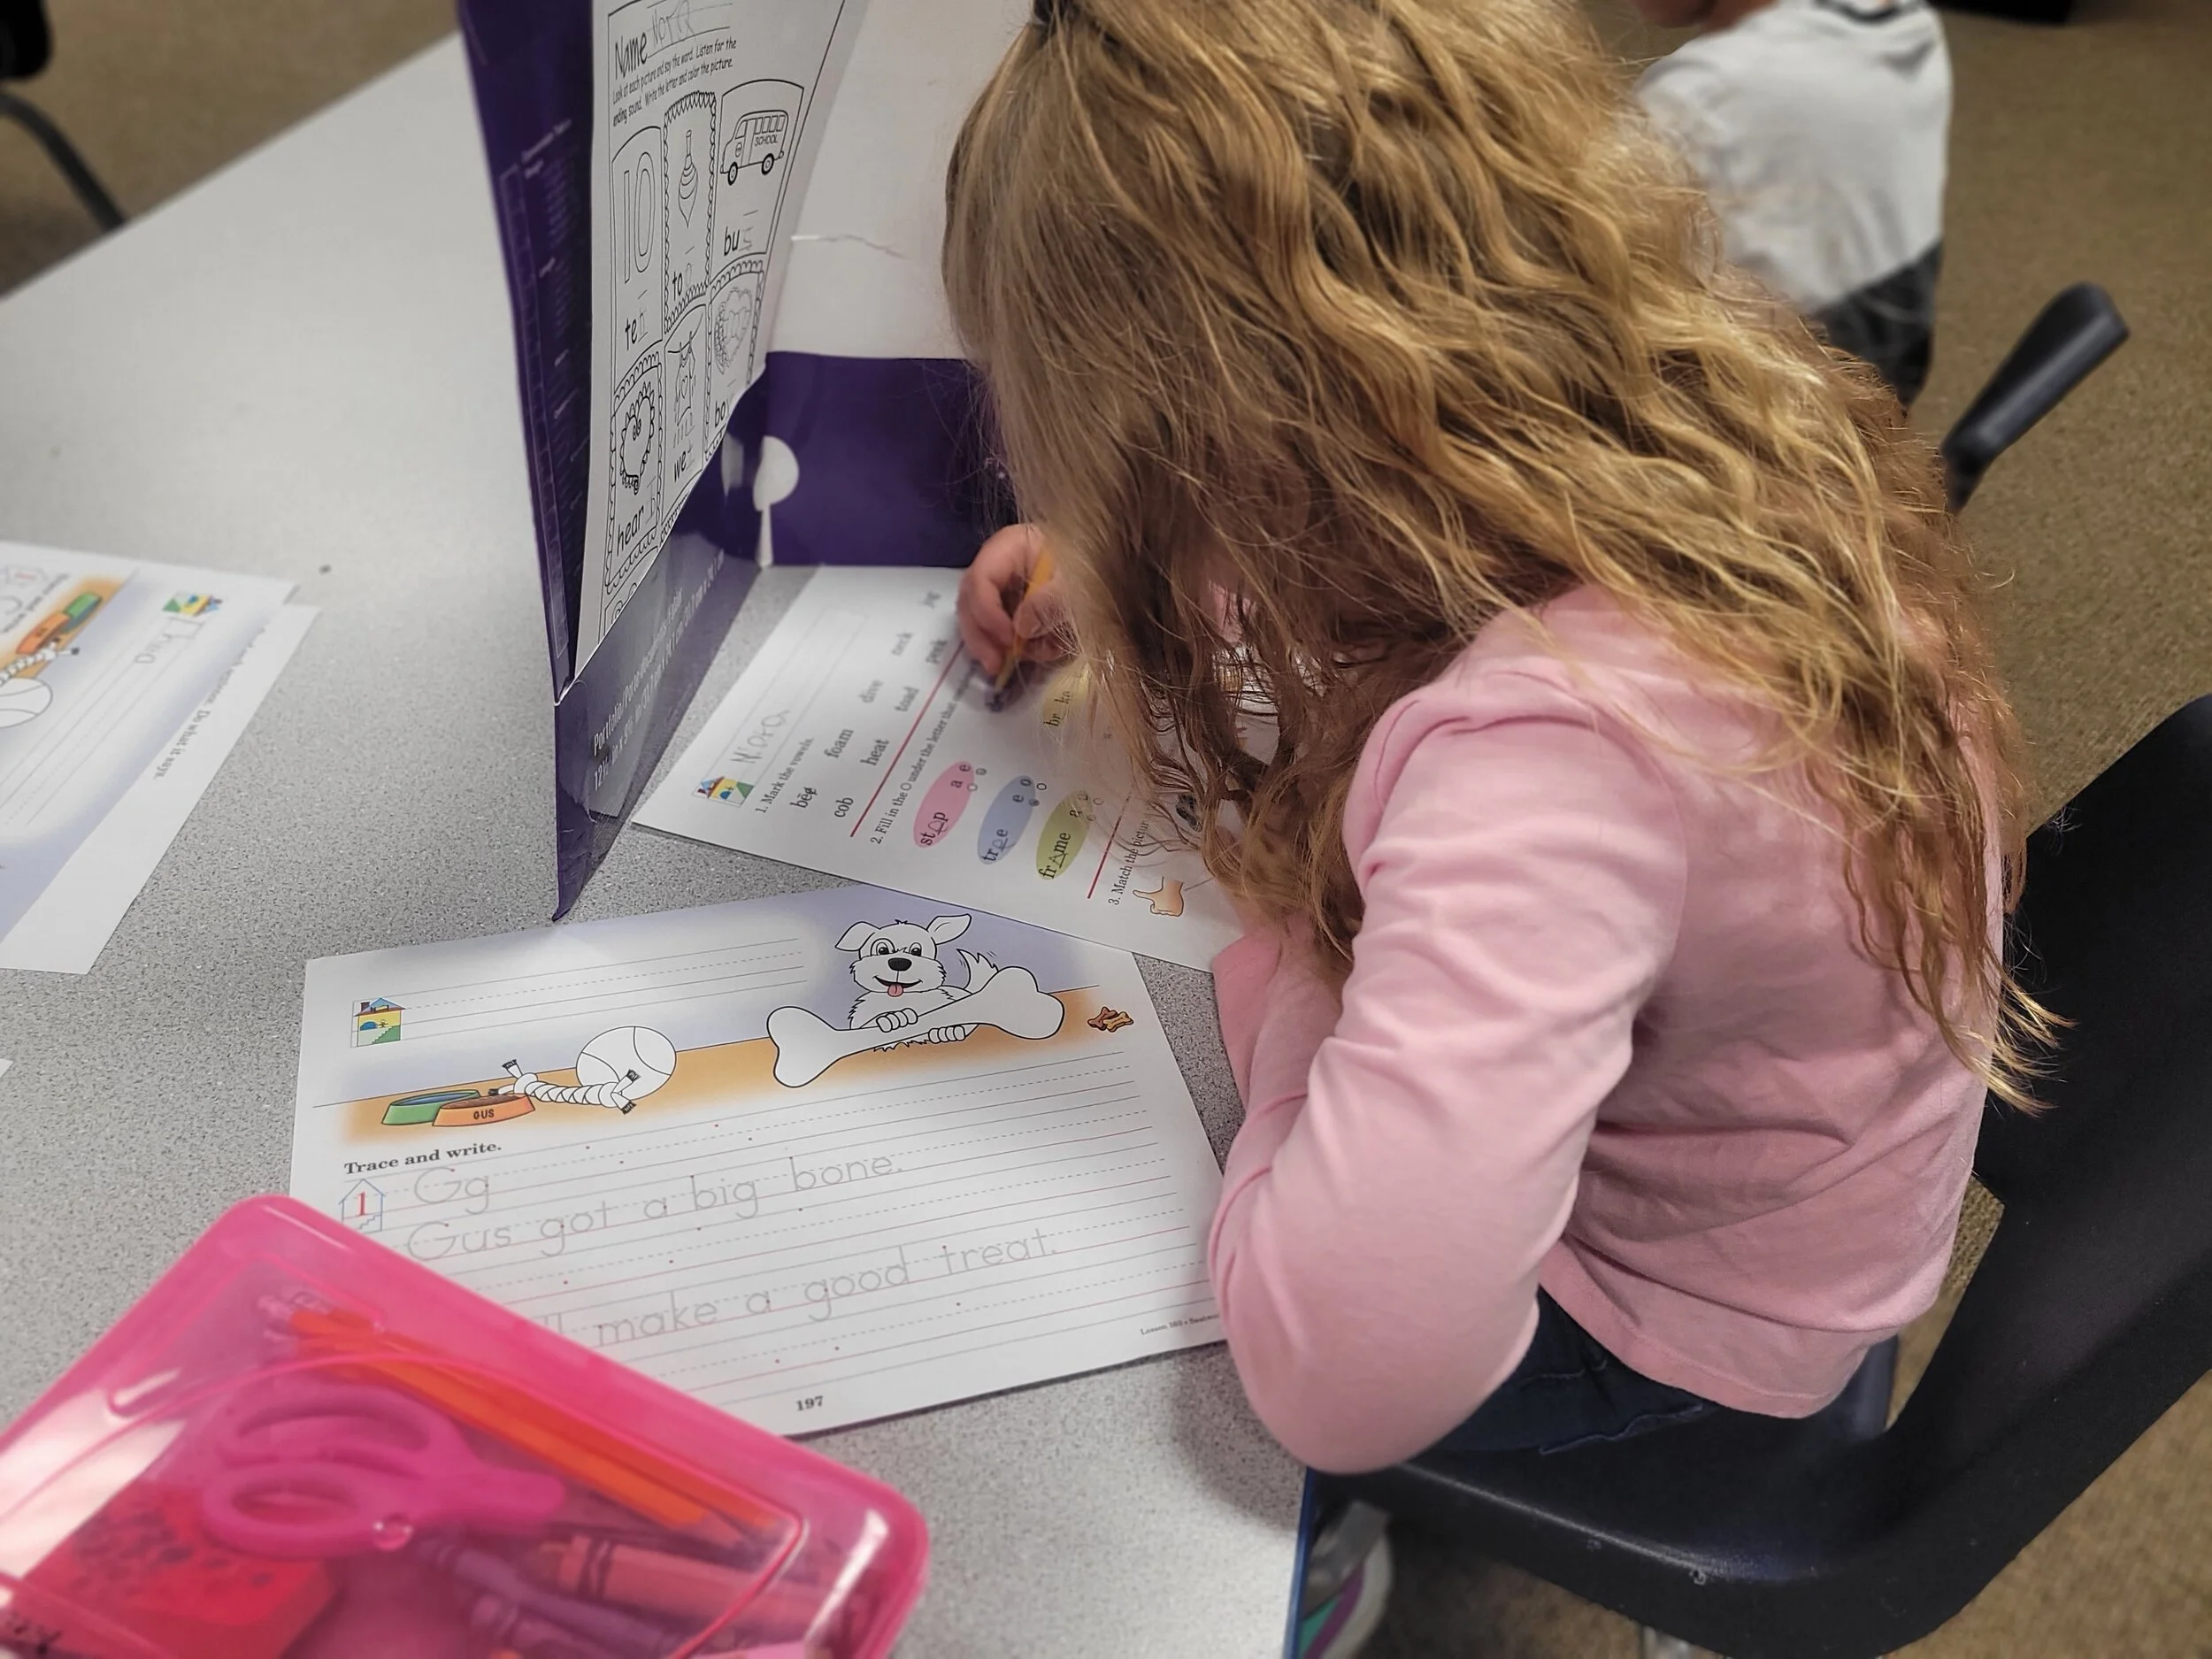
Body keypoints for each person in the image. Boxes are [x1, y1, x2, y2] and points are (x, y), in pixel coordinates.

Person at [946, 0, 2035, 1651]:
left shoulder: (1556, 750)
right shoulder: (1705, 412)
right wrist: (1128, 564)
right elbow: (1395, 569)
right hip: (1822, 1164)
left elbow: (1344, 1366)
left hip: (1684, 1332)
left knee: (1162, 1300)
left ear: (1226, 437)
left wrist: (1307, 967)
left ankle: (1314, 1572)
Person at [1632, 0, 1952, 405]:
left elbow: (1613, 285)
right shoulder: (1904, 21)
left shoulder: (1699, 94)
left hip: (1768, 410)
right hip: (1884, 372)